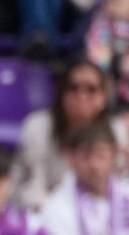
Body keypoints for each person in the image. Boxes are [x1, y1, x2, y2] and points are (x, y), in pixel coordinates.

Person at [15, 61, 129, 210]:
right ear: (62, 94)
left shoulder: (116, 131)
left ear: (104, 97)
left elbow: (120, 185)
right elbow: (28, 189)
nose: (81, 96)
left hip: (105, 212)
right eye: (73, 88)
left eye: (91, 89)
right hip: (45, 210)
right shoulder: (38, 127)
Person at [38, 121, 129, 235]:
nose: (94, 165)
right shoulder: (56, 207)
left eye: (100, 156)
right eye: (86, 157)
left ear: (114, 155)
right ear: (72, 158)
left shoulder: (125, 194)